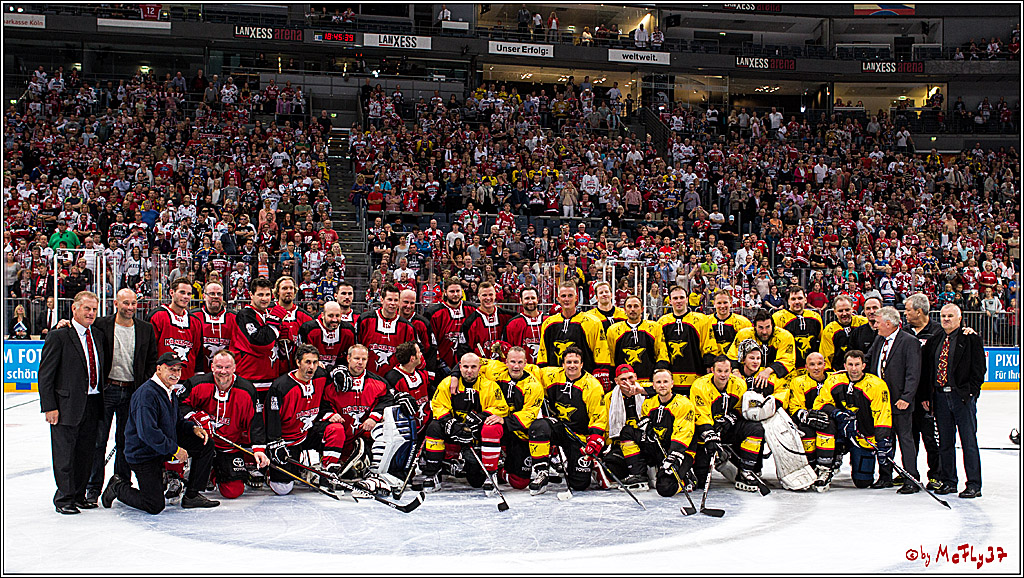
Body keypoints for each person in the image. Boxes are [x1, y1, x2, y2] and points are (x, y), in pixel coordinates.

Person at [100, 352, 219, 513]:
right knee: (154, 505)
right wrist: (175, 450)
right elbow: (148, 433)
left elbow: (176, 422)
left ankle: (192, 495)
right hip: (143, 454)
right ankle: (118, 486)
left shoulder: (169, 391)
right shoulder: (147, 394)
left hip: (161, 447)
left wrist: (193, 428)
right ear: (158, 369)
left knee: (205, 444)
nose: (176, 374)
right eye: (171, 369)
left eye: (178, 370)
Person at [85, 289, 158, 502]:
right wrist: (62, 324)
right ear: (116, 303)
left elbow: (152, 360)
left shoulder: (145, 329)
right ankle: (93, 488)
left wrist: (143, 386)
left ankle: (120, 483)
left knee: (126, 441)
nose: (130, 307)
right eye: (125, 303)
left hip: (132, 392)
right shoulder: (101, 324)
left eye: (134, 303)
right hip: (107, 390)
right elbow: (79, 331)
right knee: (99, 441)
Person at [38, 291, 105, 514]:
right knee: (65, 453)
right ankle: (64, 498)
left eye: (94, 309)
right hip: (66, 405)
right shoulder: (60, 335)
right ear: (74, 309)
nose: (91, 313)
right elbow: (46, 374)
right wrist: (49, 406)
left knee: (86, 452)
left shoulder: (97, 334)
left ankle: (79, 494)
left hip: (93, 402)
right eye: (87, 308)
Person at [179, 350, 269, 499]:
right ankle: (176, 473)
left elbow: (255, 421)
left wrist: (258, 448)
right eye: (219, 367)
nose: (223, 371)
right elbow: (180, 406)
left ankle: (214, 472)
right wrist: (196, 418)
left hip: (229, 447)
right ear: (212, 367)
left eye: (227, 367)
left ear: (234, 368)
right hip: (203, 443)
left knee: (233, 491)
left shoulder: (247, 390)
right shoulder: (196, 383)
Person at [415, 352, 508, 492]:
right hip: (453, 429)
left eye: (473, 367)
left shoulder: (489, 386)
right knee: (433, 427)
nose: (469, 371)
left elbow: (501, 407)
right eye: (465, 367)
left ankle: (490, 473)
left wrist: (481, 417)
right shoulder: (447, 383)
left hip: (475, 433)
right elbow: (437, 405)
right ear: (460, 366)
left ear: (479, 367)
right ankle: (433, 474)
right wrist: (450, 423)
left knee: (476, 481)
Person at [920, 304, 985, 498]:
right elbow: (928, 371)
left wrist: (971, 393)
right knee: (945, 442)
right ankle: (949, 481)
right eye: (943, 316)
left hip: (961, 397)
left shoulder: (970, 338)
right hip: (939, 397)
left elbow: (979, 369)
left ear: (959, 318)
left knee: (968, 441)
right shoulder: (935, 340)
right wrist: (927, 395)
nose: (946, 319)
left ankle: (974, 484)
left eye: (950, 316)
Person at [810, 350, 893, 492]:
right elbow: (820, 403)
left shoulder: (876, 385)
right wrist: (837, 414)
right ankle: (826, 467)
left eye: (857, 364)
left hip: (863, 437)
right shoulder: (834, 380)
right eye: (850, 364)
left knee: (863, 482)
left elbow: (883, 414)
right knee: (824, 426)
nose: (853, 369)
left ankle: (880, 472)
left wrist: (882, 441)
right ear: (845, 365)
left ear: (864, 365)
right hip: (839, 434)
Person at [529, 346, 606, 495]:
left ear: (582, 364)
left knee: (579, 484)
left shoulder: (593, 385)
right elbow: (525, 368)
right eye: (568, 362)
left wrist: (594, 440)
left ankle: (593, 465)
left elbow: (598, 416)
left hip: (578, 435)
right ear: (563, 364)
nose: (572, 365)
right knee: (538, 426)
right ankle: (542, 473)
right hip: (558, 427)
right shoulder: (550, 375)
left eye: (576, 362)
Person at [689, 350, 766, 492]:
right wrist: (710, 435)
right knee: (701, 480)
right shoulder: (700, 386)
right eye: (719, 371)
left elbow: (741, 409)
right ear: (712, 370)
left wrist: (731, 418)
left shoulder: (739, 384)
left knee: (755, 428)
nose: (723, 375)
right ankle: (713, 461)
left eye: (726, 371)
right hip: (706, 432)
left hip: (728, 429)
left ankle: (745, 470)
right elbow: (701, 415)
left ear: (731, 370)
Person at [263, 345, 333, 495]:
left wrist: (339, 371)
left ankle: (329, 470)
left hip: (307, 435)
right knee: (282, 489)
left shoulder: (320, 375)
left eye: (315, 362)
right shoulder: (281, 386)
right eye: (307, 362)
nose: (312, 367)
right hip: (287, 441)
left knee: (335, 429)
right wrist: (275, 443)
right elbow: (271, 418)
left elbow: (332, 372)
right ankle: (272, 472)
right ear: (298, 362)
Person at [865, 306, 921, 492]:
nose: (875, 326)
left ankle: (911, 478)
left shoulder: (909, 342)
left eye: (878, 323)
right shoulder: (880, 339)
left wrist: (906, 397)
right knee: (884, 440)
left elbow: (913, 373)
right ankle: (885, 476)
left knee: (905, 439)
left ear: (889, 324)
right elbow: (869, 359)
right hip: (880, 402)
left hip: (900, 401)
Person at [478, 347, 544, 489]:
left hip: (518, 431)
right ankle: (491, 473)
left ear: (526, 363)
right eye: (512, 361)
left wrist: (505, 420)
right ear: (506, 362)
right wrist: (454, 375)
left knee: (520, 482)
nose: (516, 366)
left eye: (520, 362)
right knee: (490, 427)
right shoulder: (495, 369)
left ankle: (501, 470)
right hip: (497, 425)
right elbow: (469, 362)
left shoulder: (533, 385)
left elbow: (529, 414)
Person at [901, 293, 943, 489]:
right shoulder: (905, 331)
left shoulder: (938, 332)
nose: (905, 313)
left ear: (919, 311)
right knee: (909, 437)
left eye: (908, 310)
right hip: (908, 395)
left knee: (930, 438)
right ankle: (909, 474)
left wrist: (928, 395)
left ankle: (936, 474)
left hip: (929, 397)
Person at [656, 286, 715, 395]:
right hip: (670, 380)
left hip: (696, 376)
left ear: (687, 299)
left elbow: (708, 345)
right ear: (669, 301)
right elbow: (660, 350)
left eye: (681, 297)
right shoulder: (662, 322)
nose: (678, 301)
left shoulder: (702, 320)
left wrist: (708, 367)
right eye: (675, 298)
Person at [230, 278, 284, 396]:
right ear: (251, 295)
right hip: (250, 379)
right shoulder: (245, 315)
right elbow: (261, 343)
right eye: (260, 295)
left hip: (270, 378)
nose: (264, 298)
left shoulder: (267, 314)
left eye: (267, 294)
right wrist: (275, 325)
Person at [537, 282, 604, 374]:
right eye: (563, 296)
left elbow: (600, 349)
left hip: (584, 378)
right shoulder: (548, 323)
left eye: (570, 295)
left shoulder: (592, 322)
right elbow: (543, 352)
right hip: (555, 379)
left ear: (576, 298)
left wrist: (601, 371)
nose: (567, 299)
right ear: (558, 299)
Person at [356, 284, 417, 376]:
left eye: (396, 300)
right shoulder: (365, 320)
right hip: (367, 376)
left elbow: (411, 356)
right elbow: (356, 346)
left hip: (394, 379)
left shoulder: (407, 327)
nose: (392, 303)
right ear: (381, 300)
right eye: (389, 299)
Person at [149, 278, 203, 382]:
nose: (186, 297)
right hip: (162, 380)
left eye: (189, 294)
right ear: (172, 292)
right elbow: (150, 351)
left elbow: (198, 351)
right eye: (182, 292)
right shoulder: (157, 316)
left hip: (187, 381)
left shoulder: (195, 321)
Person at [606, 295, 668, 385]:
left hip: (648, 382)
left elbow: (662, 354)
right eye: (629, 306)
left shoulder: (655, 327)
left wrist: (656, 378)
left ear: (642, 309)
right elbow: (610, 357)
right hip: (624, 384)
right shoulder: (613, 330)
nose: (632, 309)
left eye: (636, 306)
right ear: (624, 310)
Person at [727, 308, 796, 387]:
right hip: (746, 375)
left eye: (767, 327)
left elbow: (787, 360)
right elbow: (732, 355)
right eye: (760, 327)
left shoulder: (785, 336)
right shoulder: (744, 335)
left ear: (773, 325)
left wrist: (767, 371)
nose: (764, 332)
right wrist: (735, 371)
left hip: (775, 377)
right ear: (754, 326)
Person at [425, 278, 477, 373]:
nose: (455, 294)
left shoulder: (473, 309)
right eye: (452, 291)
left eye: (458, 291)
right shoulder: (434, 313)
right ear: (445, 292)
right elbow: (431, 342)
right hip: (442, 364)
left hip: (468, 366)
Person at [457, 282, 515, 360]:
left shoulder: (508, 316)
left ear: (495, 295)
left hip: (505, 367)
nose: (488, 298)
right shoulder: (469, 323)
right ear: (479, 296)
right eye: (484, 295)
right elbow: (464, 350)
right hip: (481, 368)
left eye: (490, 295)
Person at [772, 286, 824, 371]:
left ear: (805, 300)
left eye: (800, 298)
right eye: (793, 299)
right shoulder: (777, 318)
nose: (797, 302)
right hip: (788, 368)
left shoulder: (815, 317)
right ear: (788, 301)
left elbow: (822, 342)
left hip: (811, 369)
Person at [190, 281, 236, 374]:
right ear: (204, 296)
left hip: (226, 373)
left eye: (219, 294)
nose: (215, 296)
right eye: (212, 294)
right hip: (200, 373)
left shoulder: (234, 317)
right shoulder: (193, 317)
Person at [299, 301, 356, 368]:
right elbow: (302, 356)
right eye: (330, 316)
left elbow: (351, 355)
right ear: (322, 315)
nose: (334, 320)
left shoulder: (348, 331)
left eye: (337, 316)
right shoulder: (309, 329)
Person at [820, 295, 867, 371]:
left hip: (862, 371)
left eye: (847, 310)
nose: (844, 314)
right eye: (840, 311)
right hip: (839, 372)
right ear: (834, 311)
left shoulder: (863, 322)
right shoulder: (829, 330)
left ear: (852, 308)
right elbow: (826, 357)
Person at [706, 289, 751, 364]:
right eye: (719, 303)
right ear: (714, 304)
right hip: (713, 364)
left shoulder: (743, 322)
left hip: (735, 364)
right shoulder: (706, 322)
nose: (722, 306)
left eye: (725, 302)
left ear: (730, 302)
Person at [505, 286, 546, 363]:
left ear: (538, 299)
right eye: (527, 298)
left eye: (533, 298)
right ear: (521, 300)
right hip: (522, 370)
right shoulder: (512, 324)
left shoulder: (548, 321)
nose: (530, 301)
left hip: (546, 370)